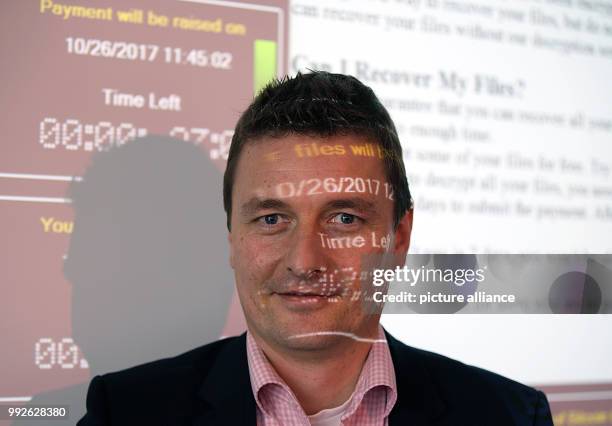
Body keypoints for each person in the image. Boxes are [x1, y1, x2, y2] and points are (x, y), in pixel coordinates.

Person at [78, 71, 553, 425]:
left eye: (344, 219)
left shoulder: (508, 415)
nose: (304, 261)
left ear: (399, 239)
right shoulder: (124, 413)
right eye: (271, 219)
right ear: (231, 238)